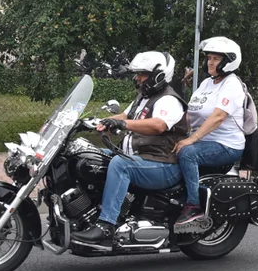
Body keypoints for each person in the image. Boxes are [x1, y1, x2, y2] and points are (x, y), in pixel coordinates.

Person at [72, 51, 188, 247]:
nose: (137, 78)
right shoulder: (143, 97)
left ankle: (105, 226)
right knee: (88, 154)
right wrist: (93, 122)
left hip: (162, 164)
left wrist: (125, 125)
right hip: (140, 158)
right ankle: (85, 212)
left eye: (142, 74)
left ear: (158, 75)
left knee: (119, 165)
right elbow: (126, 116)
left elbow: (158, 125)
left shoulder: (168, 100)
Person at [172, 36, 247, 231]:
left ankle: (193, 207)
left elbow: (218, 117)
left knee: (188, 153)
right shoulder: (207, 83)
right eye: (209, 58)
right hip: (204, 141)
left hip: (226, 145)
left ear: (229, 61)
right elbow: (191, 114)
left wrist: (191, 139)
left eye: (215, 59)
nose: (210, 62)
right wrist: (167, 128)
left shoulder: (232, 84)